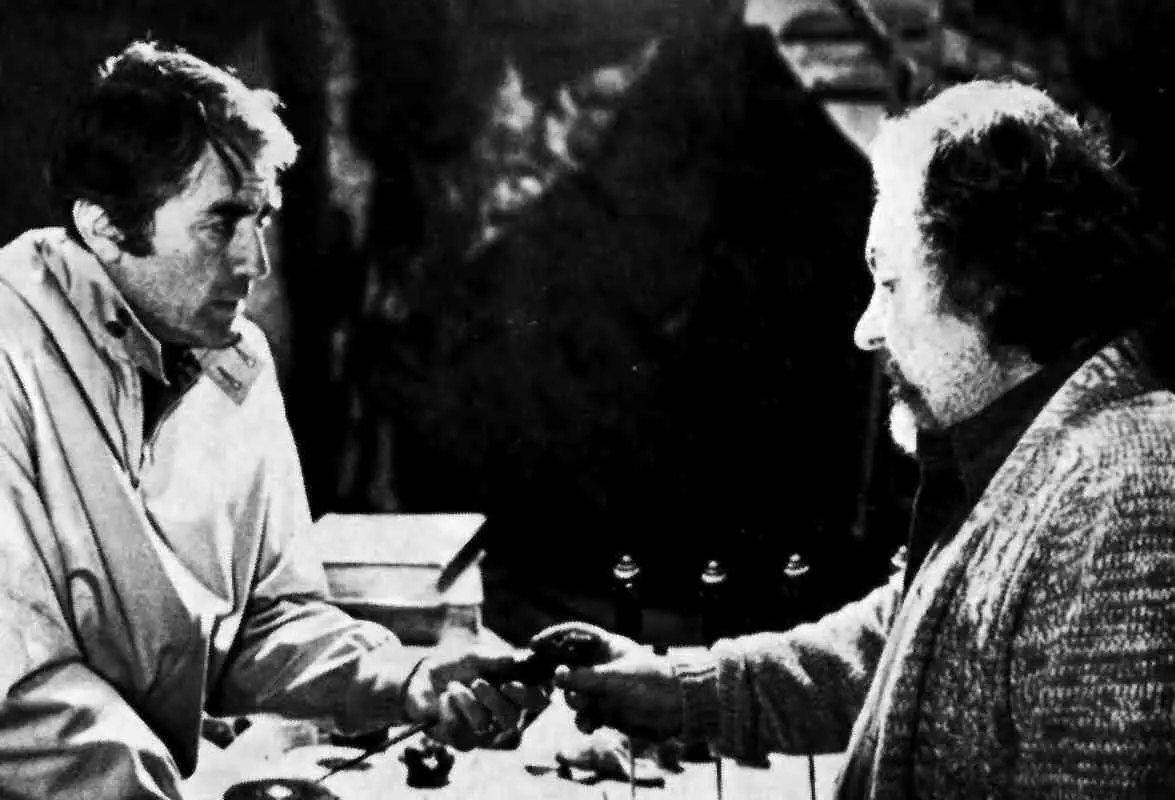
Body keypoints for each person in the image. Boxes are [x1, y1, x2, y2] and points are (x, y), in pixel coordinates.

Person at [536, 80, 1175, 797]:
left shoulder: (1123, 494)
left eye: (889, 283)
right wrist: (678, 690)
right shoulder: (1032, 460)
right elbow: (908, 645)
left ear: (990, 285)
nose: (866, 329)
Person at [0, 41, 543, 798]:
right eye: (221, 222)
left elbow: (264, 621)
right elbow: (19, 698)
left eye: (260, 218)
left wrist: (407, 677)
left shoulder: (233, 361)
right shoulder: (10, 356)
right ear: (104, 227)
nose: (255, 261)